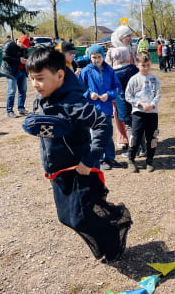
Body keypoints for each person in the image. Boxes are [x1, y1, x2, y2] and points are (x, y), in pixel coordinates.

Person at [22, 47, 132, 262]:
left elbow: (102, 124)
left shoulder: (73, 102)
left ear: (60, 75)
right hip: (58, 171)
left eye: (40, 79)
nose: (35, 84)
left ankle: (115, 236)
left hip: (80, 170)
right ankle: (105, 243)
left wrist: (90, 159)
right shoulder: (44, 97)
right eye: (31, 79)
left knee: (81, 217)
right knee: (66, 217)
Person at [79, 44, 122, 171]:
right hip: (93, 108)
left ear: (103, 57)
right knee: (97, 135)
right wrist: (89, 94)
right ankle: (100, 159)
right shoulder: (86, 71)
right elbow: (79, 88)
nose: (96, 59)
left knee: (108, 133)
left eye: (99, 57)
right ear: (89, 57)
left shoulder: (109, 70)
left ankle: (110, 157)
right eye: (93, 57)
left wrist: (108, 95)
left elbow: (117, 87)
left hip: (107, 107)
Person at [105, 25, 145, 156]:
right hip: (118, 90)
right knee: (121, 116)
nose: (130, 38)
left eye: (130, 36)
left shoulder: (132, 48)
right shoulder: (112, 51)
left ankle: (137, 146)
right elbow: (106, 68)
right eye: (127, 36)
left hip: (131, 86)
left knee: (131, 118)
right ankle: (123, 140)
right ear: (121, 38)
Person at [125, 51, 162, 173]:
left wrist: (152, 104)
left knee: (152, 138)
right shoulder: (133, 79)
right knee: (135, 137)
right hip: (138, 114)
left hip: (152, 113)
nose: (146, 68)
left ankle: (150, 160)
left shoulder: (154, 79)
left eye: (148, 65)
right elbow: (128, 96)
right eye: (143, 65)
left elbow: (158, 94)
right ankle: (131, 159)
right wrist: (140, 104)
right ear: (137, 65)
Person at [0, 35, 30, 118]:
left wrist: (26, 60)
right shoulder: (9, 45)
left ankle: (21, 108)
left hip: (22, 71)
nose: (24, 47)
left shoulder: (24, 48)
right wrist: (19, 60)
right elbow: (5, 57)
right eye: (23, 45)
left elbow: (26, 56)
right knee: (12, 91)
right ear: (19, 41)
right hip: (11, 71)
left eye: (25, 46)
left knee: (23, 90)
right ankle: (10, 111)